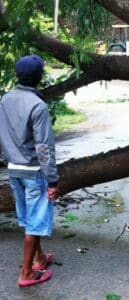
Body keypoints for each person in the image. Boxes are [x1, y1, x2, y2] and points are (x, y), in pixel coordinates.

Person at [0, 55, 60, 286]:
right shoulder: (38, 106)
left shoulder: (5, 100)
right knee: (35, 221)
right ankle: (27, 273)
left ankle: (40, 257)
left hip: (13, 170)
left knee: (27, 218)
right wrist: (53, 181)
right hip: (34, 171)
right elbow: (44, 148)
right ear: (40, 77)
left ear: (18, 75)